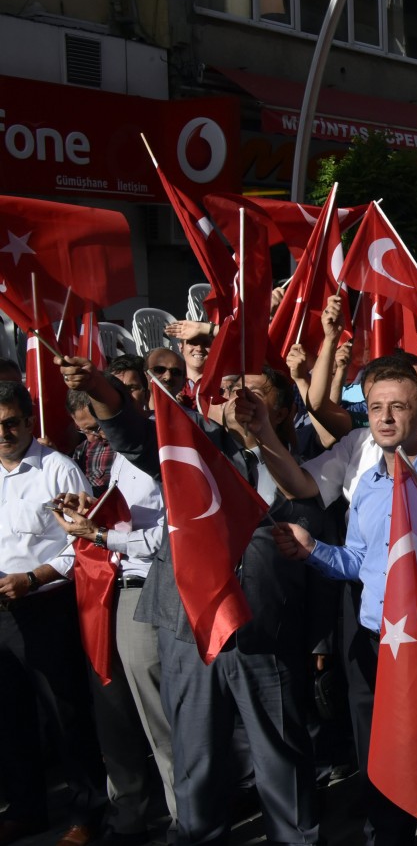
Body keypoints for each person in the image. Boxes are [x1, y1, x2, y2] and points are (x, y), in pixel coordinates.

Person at [60, 356, 323, 846]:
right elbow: (132, 433)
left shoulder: (299, 463)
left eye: (253, 393)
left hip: (263, 633)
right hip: (188, 630)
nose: (238, 400)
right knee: (195, 761)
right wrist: (97, 384)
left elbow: (308, 509)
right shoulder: (190, 449)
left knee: (280, 759)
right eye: (228, 391)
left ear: (282, 410)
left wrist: (262, 437)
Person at [272, 363, 417, 846]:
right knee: (382, 770)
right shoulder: (367, 484)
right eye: (376, 408)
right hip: (373, 646)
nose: (384, 418)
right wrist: (312, 550)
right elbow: (359, 563)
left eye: (398, 408)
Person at [52, 384, 179, 845]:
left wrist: (105, 538)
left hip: (151, 588)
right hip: (111, 588)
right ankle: (132, 815)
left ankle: (185, 818)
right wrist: (91, 512)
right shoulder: (121, 457)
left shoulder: (166, 449)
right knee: (116, 712)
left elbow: (173, 532)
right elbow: (126, 515)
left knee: (159, 718)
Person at [0, 381, 107, 846]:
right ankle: (26, 809)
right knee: (10, 716)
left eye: (10, 423)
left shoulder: (57, 470)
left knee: (65, 715)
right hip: (3, 613)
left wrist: (36, 577)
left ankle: (86, 814)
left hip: (46, 604)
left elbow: (82, 542)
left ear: (28, 421)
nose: (3, 432)